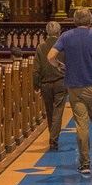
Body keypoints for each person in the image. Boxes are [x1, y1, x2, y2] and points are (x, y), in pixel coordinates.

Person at [48, 7, 92, 176]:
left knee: (81, 124)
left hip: (75, 87)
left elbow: (50, 56)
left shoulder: (66, 36)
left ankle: (84, 164)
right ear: (90, 20)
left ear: (74, 21)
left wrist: (60, 66)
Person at [34, 21, 68, 152]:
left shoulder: (41, 47)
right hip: (60, 82)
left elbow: (36, 68)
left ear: (47, 32)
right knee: (58, 112)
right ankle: (53, 139)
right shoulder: (63, 45)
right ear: (59, 32)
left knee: (49, 111)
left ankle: (52, 136)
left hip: (45, 83)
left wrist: (36, 84)